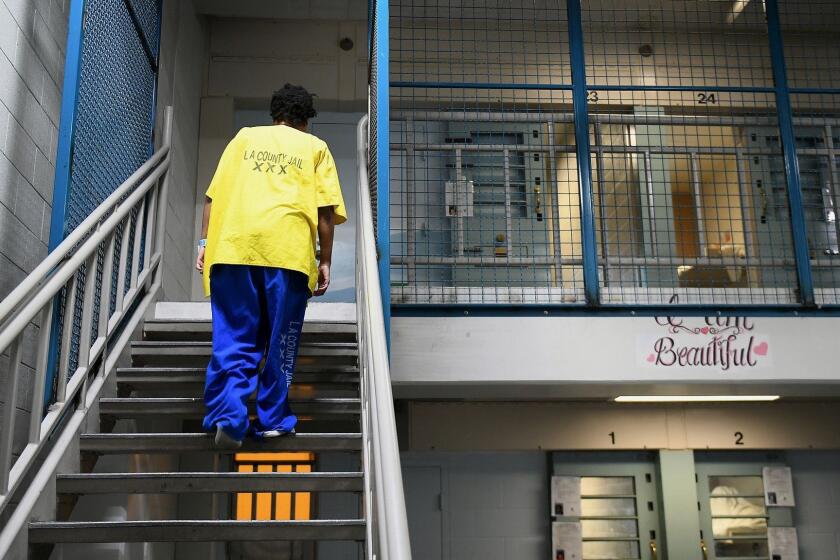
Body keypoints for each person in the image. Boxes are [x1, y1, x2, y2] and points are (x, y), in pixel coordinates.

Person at [195, 84, 346, 449]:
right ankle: (272, 420)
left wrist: (204, 244)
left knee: (234, 337)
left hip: (232, 250)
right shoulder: (315, 148)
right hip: (288, 255)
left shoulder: (244, 139)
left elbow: (213, 198)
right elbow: (325, 213)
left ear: (273, 114)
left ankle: (229, 415)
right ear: (306, 120)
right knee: (281, 342)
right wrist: (324, 260)